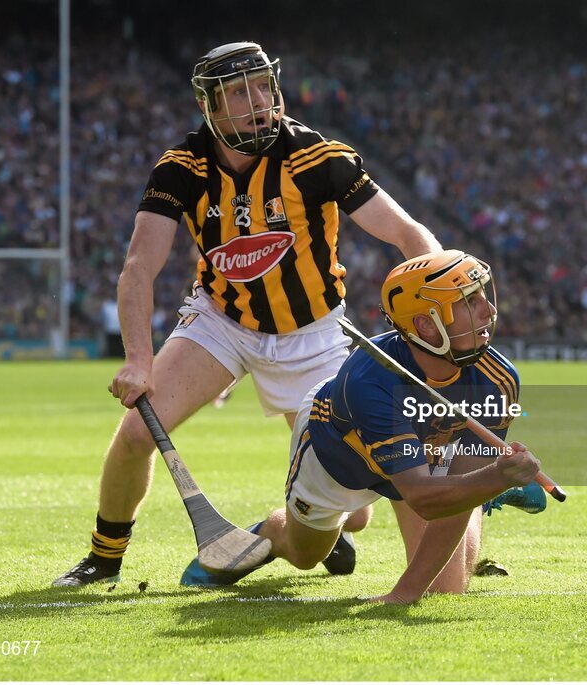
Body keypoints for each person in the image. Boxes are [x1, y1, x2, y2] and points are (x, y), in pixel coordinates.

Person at [53, 41, 441, 587]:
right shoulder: (181, 168)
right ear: (210, 106)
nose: (258, 101)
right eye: (239, 91)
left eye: (263, 86)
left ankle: (279, 532)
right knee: (138, 432)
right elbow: (139, 267)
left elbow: (406, 233)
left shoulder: (318, 158)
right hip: (222, 322)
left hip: (316, 334)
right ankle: (103, 557)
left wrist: (435, 298)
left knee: (355, 511)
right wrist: (139, 360)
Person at [180, 250, 545, 604]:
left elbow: (448, 491)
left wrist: (485, 480)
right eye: (470, 302)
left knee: (445, 590)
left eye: (483, 295)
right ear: (425, 325)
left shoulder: (498, 379)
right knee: (306, 554)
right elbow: (423, 497)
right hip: (338, 459)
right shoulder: (369, 381)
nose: (491, 310)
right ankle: (272, 533)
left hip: (424, 463)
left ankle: (487, 490)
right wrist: (495, 478)